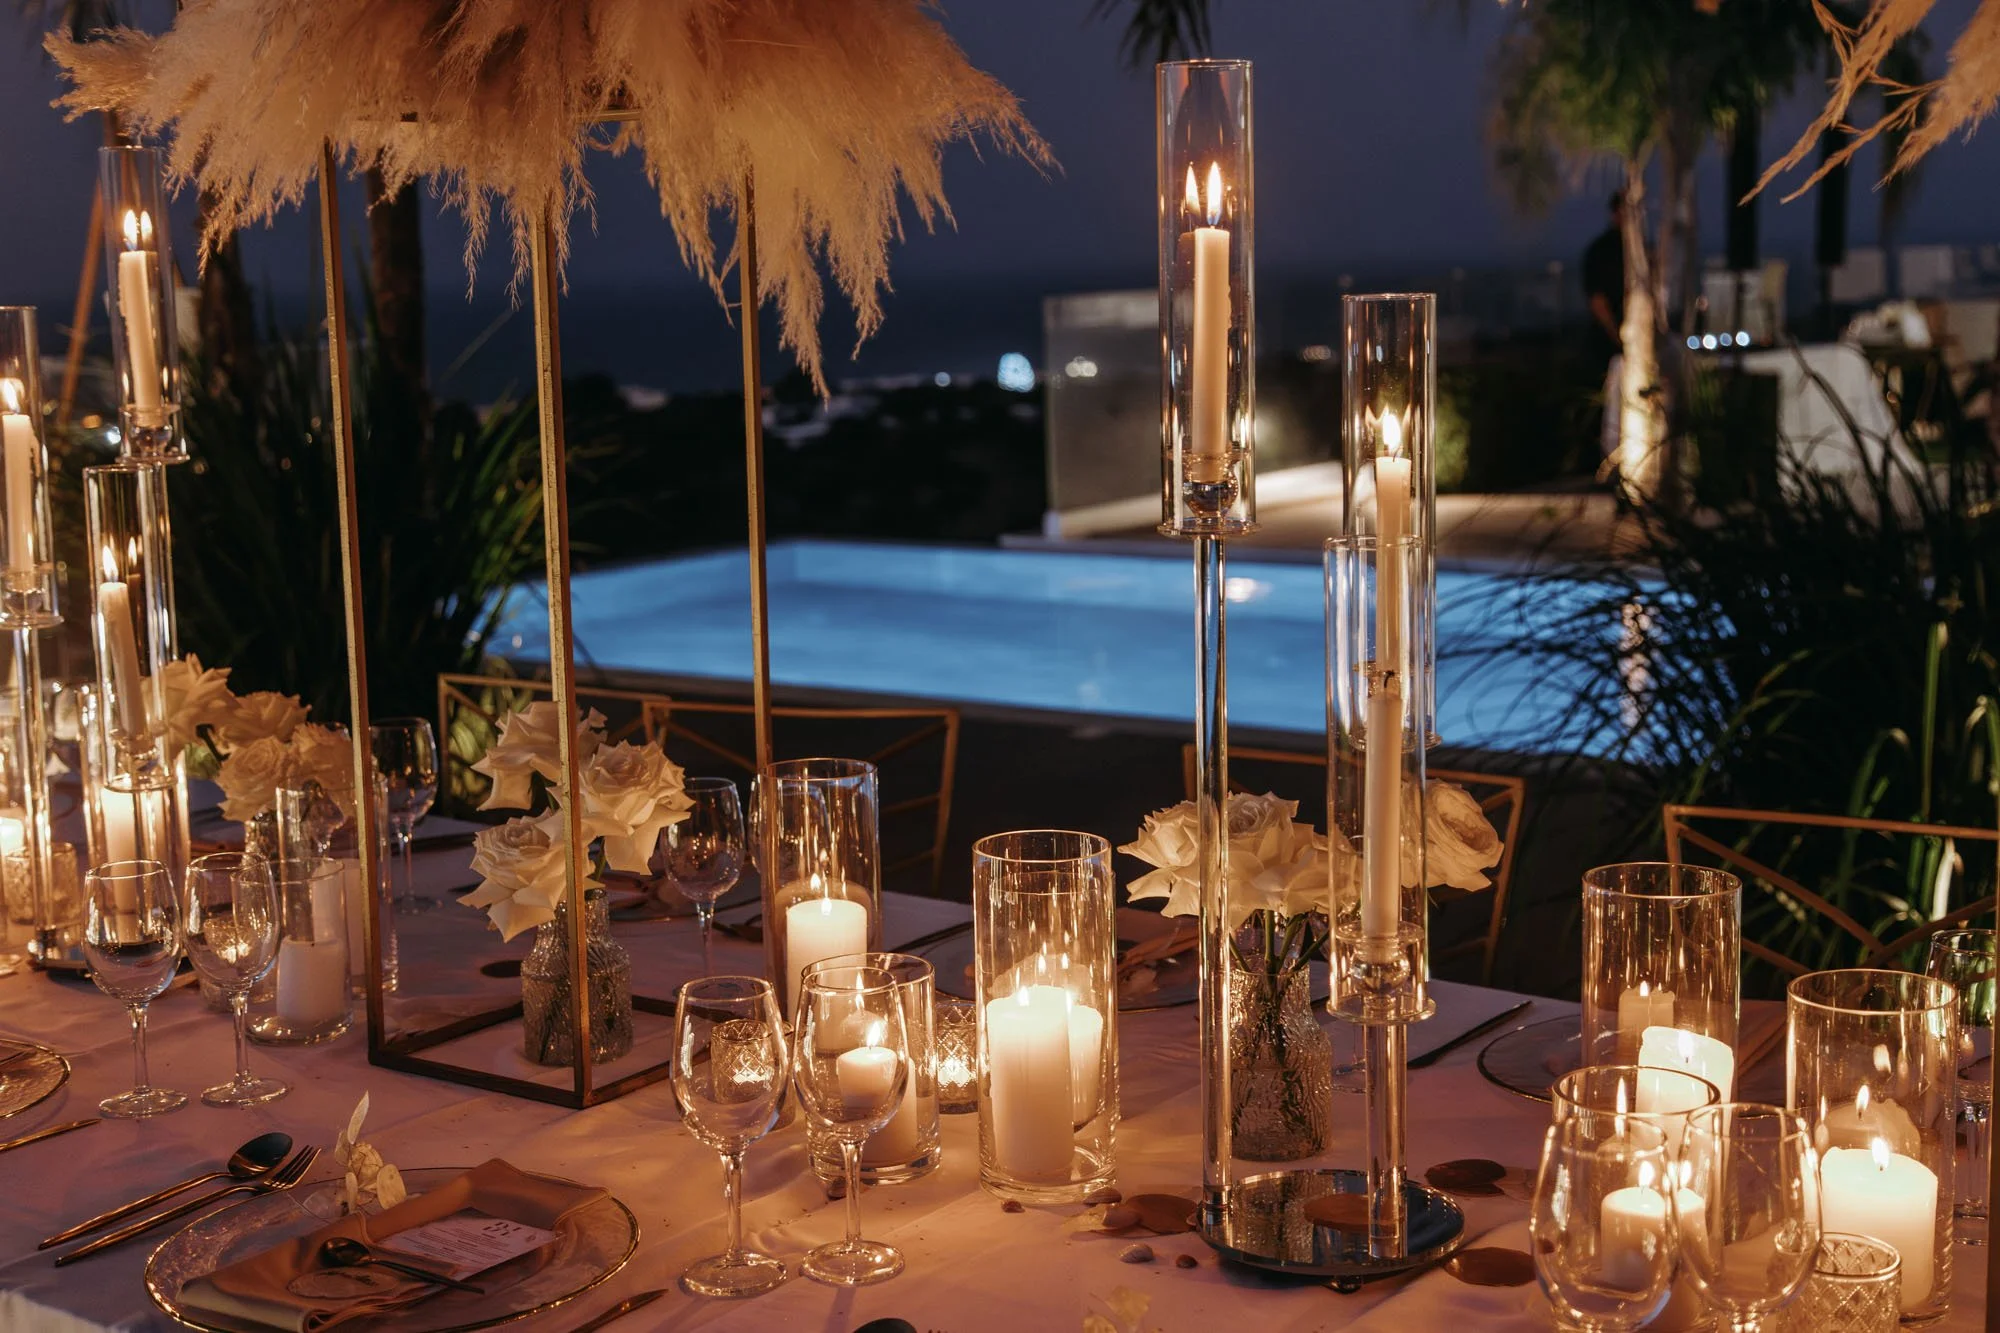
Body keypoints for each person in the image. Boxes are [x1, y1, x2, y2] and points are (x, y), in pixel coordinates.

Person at [1583, 193, 1624, 364]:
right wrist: (1618, 339)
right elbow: (1598, 301)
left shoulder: (1641, 251)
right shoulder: (1601, 251)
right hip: (1607, 345)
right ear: (1615, 213)